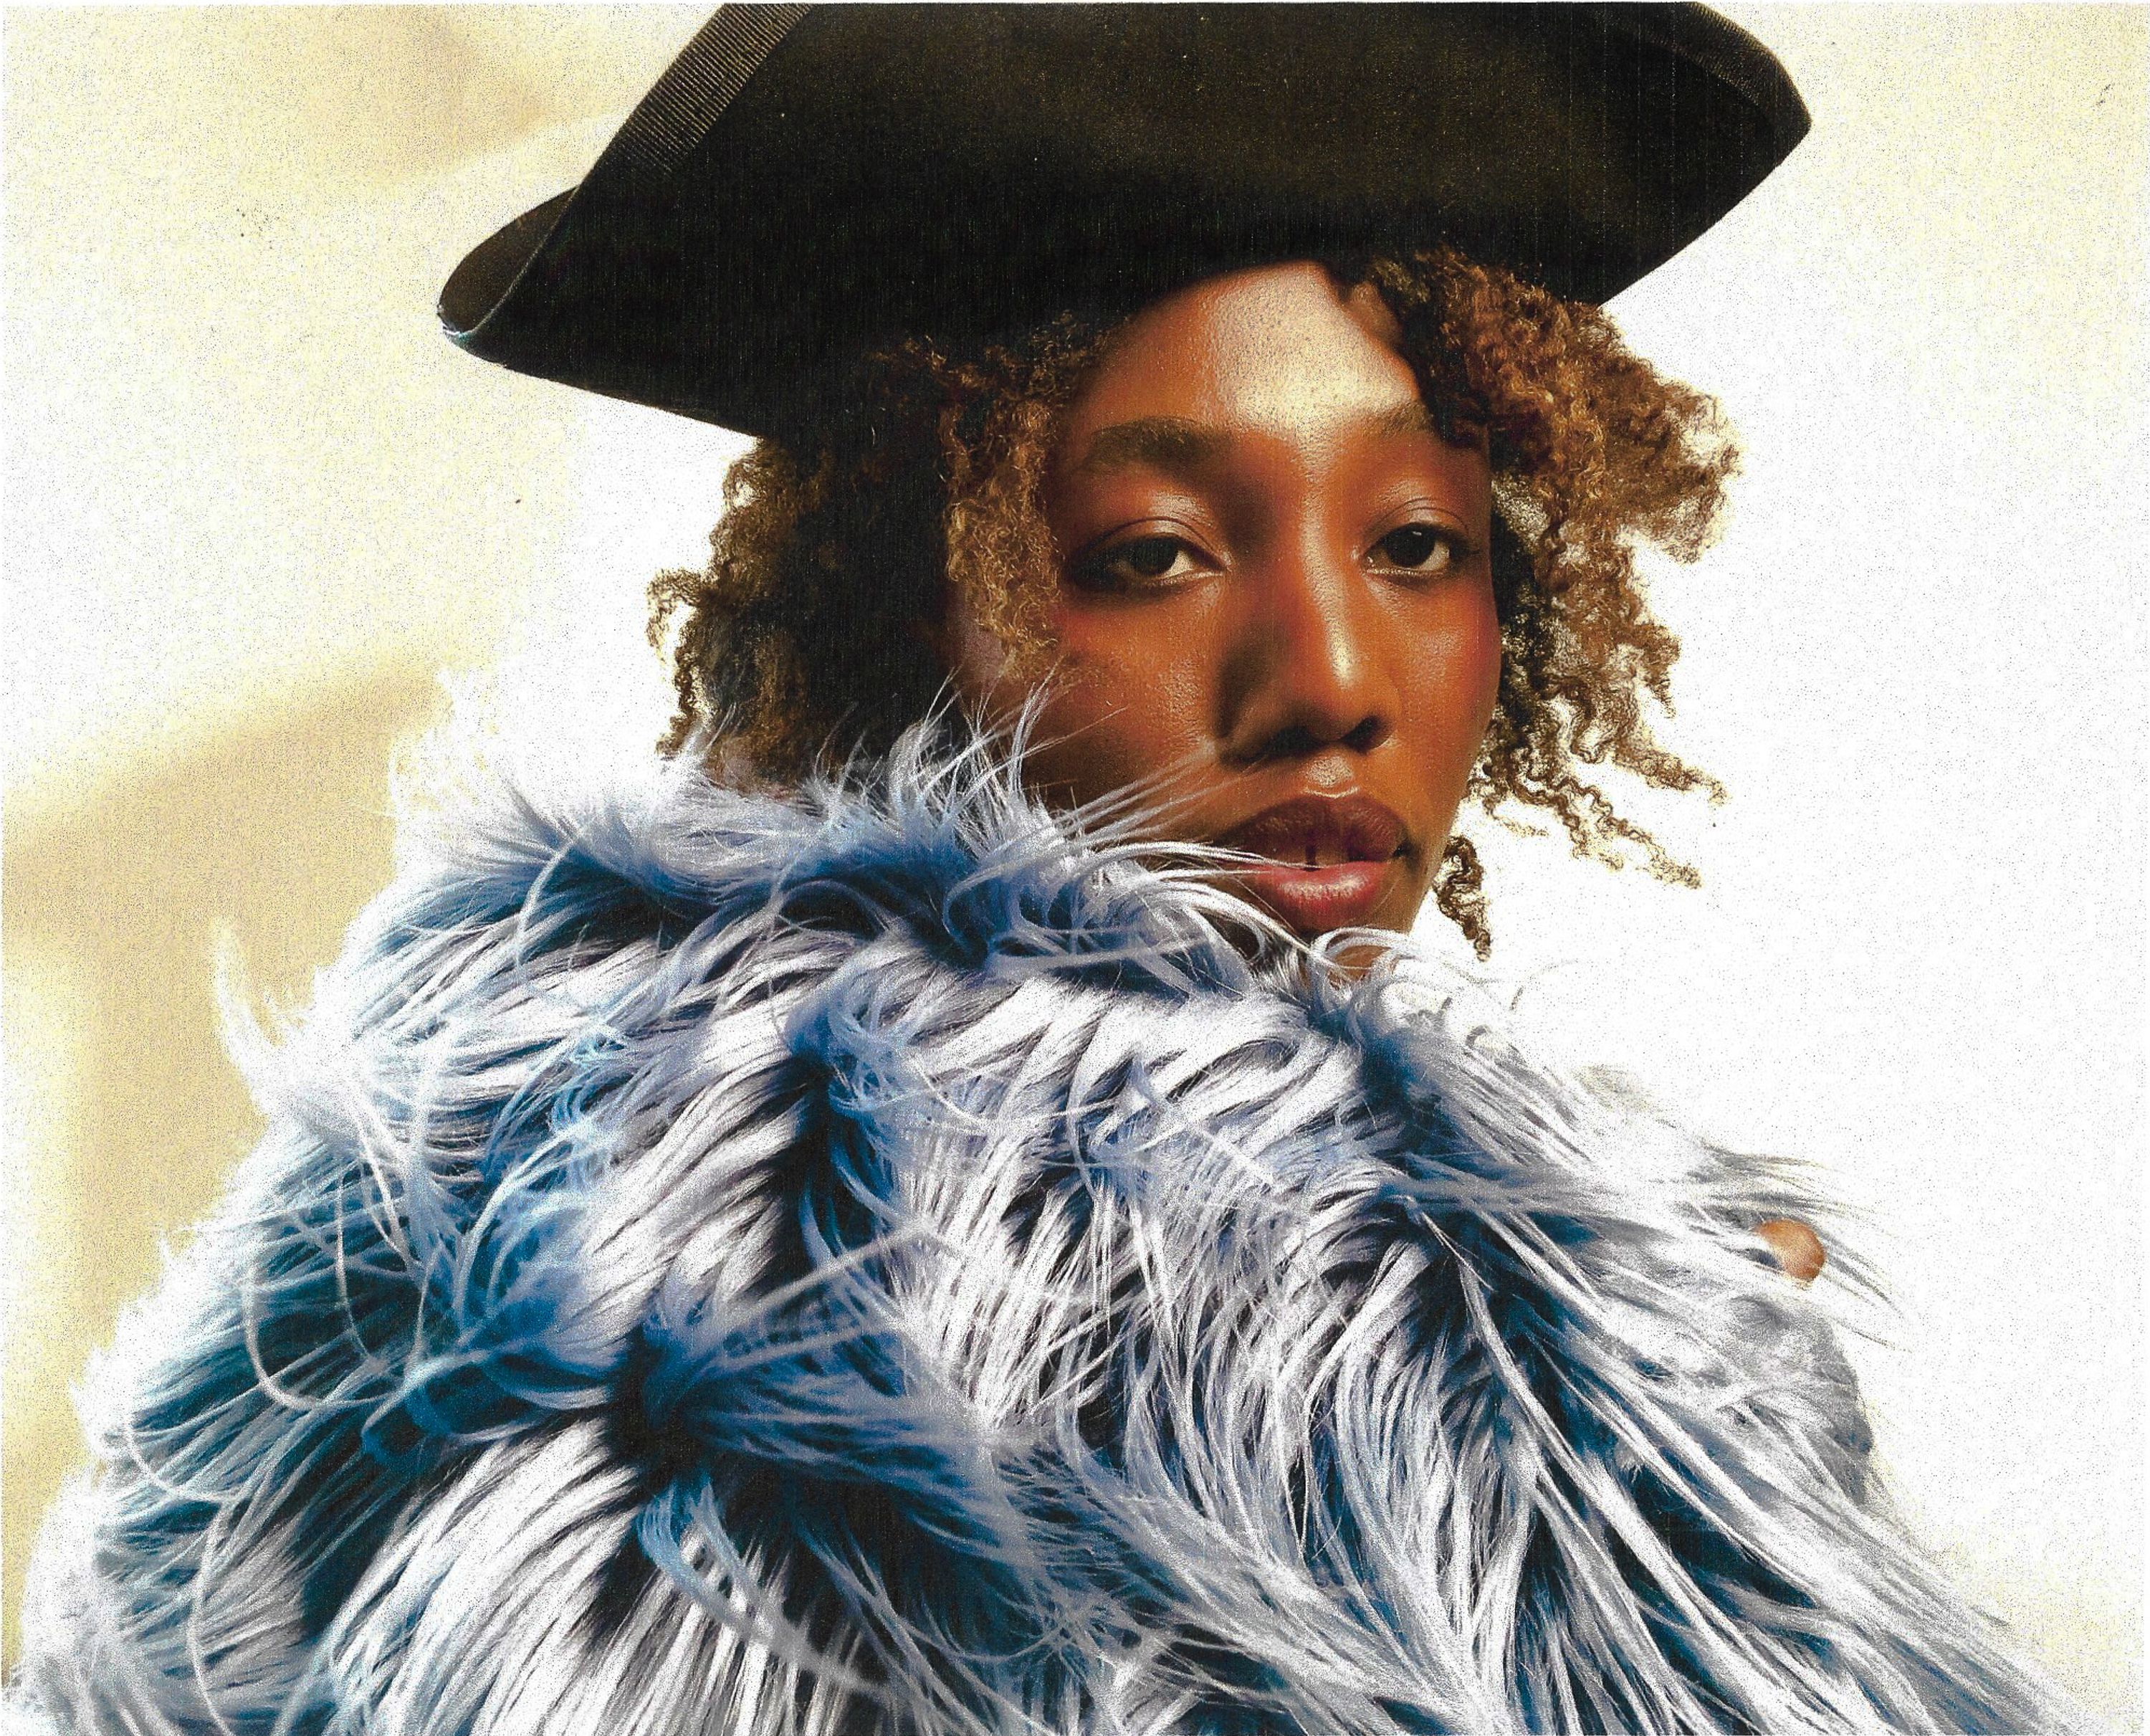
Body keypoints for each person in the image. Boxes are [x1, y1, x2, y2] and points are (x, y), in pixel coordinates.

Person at [9, 7, 2080, 1732]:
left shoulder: (1514, 1310)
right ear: (903, 615)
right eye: (1156, 554)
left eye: (1418, 547)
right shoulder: (710, 1244)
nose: (1330, 681)